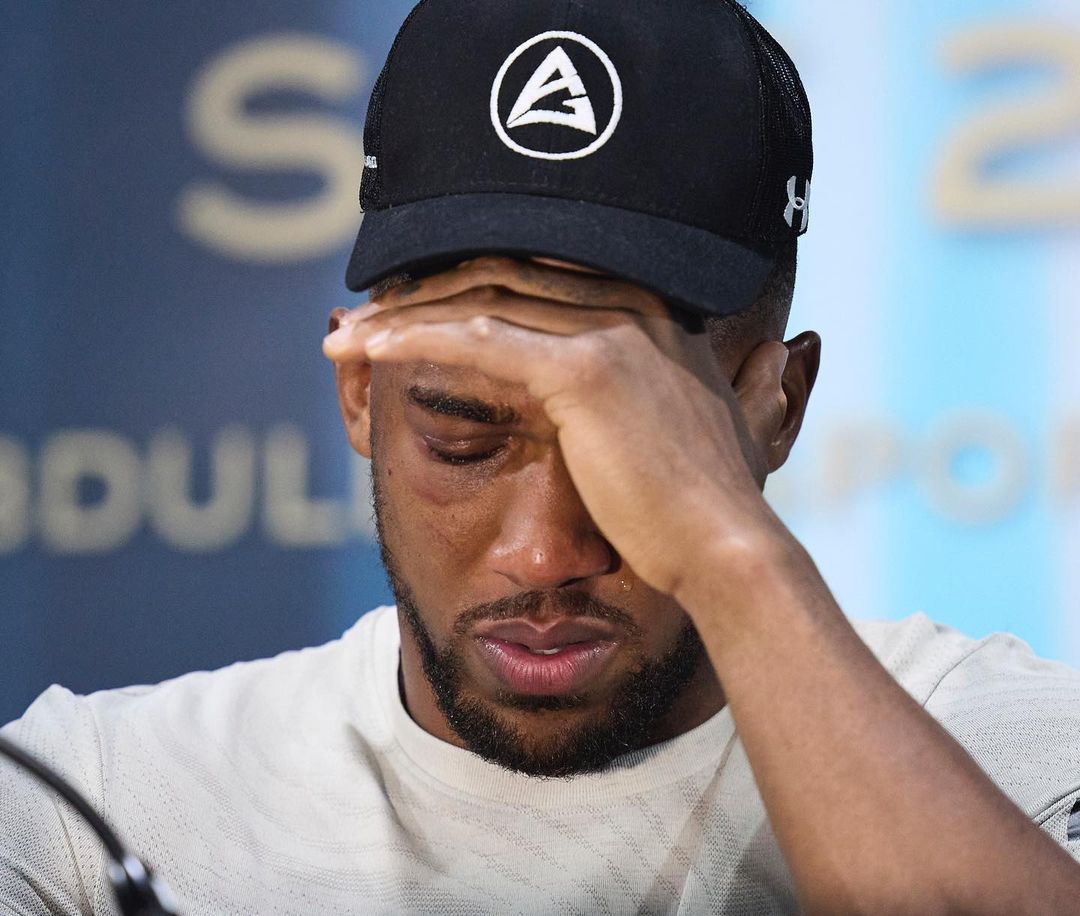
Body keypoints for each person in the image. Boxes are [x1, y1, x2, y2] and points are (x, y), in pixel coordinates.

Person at [3, 0, 1080, 913]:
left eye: (636, 450)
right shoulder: (95, 806)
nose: (543, 552)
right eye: (465, 440)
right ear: (360, 393)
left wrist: (734, 558)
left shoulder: (999, 753)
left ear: (777, 407)